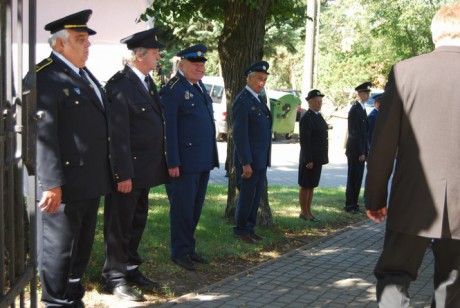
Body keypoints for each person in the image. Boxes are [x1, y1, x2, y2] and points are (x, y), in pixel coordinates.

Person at [365, 3, 460, 307]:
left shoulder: (406, 71)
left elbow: (383, 145)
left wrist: (375, 198)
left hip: (411, 200)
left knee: (394, 275)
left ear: (435, 33)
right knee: (453, 285)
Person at [31, 10, 113, 307]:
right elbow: (44, 135)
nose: (87, 45)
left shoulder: (84, 74)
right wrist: (51, 183)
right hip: (64, 184)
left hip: (90, 180)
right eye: (80, 40)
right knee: (58, 247)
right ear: (59, 45)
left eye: (87, 40)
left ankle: (72, 294)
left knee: (81, 245)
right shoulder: (46, 77)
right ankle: (55, 300)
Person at [102, 28, 169, 301]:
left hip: (145, 171)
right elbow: (117, 135)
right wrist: (123, 174)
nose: (158, 58)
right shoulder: (120, 85)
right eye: (155, 54)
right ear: (139, 56)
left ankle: (130, 268)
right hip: (128, 172)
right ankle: (113, 278)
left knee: (137, 220)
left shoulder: (145, 81)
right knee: (119, 225)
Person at [160, 44, 219, 271]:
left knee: (194, 208)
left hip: (201, 160)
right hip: (183, 163)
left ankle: (189, 247)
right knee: (182, 208)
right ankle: (179, 251)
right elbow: (169, 130)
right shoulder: (173, 89)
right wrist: (172, 161)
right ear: (182, 65)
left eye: (202, 64)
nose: (200, 68)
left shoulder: (199, 86)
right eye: (195, 64)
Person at [232, 61, 272, 244]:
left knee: (255, 198)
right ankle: (241, 230)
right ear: (249, 79)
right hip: (249, 161)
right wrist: (245, 163)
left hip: (260, 159)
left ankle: (250, 228)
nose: (261, 82)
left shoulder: (258, 99)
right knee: (247, 197)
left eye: (264, 79)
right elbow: (240, 135)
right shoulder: (243, 100)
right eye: (258, 78)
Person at [298, 90, 329, 222]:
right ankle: (304, 212)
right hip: (309, 158)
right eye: (317, 101)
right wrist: (308, 159)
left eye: (321, 101)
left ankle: (308, 211)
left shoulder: (318, 116)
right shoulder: (307, 118)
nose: (319, 103)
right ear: (310, 102)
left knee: (312, 185)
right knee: (306, 185)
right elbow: (305, 141)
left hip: (317, 157)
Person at [344, 82, 370, 214]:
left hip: (361, 150)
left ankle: (354, 204)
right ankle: (349, 205)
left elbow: (364, 133)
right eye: (366, 92)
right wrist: (360, 152)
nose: (368, 95)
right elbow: (354, 133)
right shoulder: (355, 110)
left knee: (358, 178)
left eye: (368, 93)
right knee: (353, 178)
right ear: (359, 94)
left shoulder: (362, 108)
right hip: (355, 151)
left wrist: (366, 150)